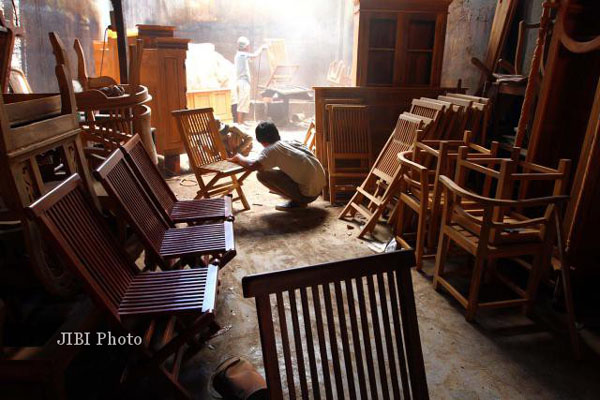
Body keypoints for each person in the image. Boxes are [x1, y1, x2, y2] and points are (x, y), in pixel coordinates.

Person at [228, 121, 326, 211]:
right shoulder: (290, 142)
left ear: (260, 140)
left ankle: (298, 201)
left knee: (262, 174)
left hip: (307, 196)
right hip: (318, 190)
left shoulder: (272, 150)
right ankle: (296, 195)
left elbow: (252, 165)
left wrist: (238, 157)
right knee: (274, 167)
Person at [234, 36, 266, 124]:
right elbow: (255, 55)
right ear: (244, 46)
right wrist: (262, 48)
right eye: (248, 45)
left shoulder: (240, 55)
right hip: (243, 82)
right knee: (242, 103)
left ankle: (241, 122)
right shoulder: (242, 54)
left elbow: (251, 58)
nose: (249, 47)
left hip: (242, 82)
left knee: (244, 103)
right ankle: (240, 122)